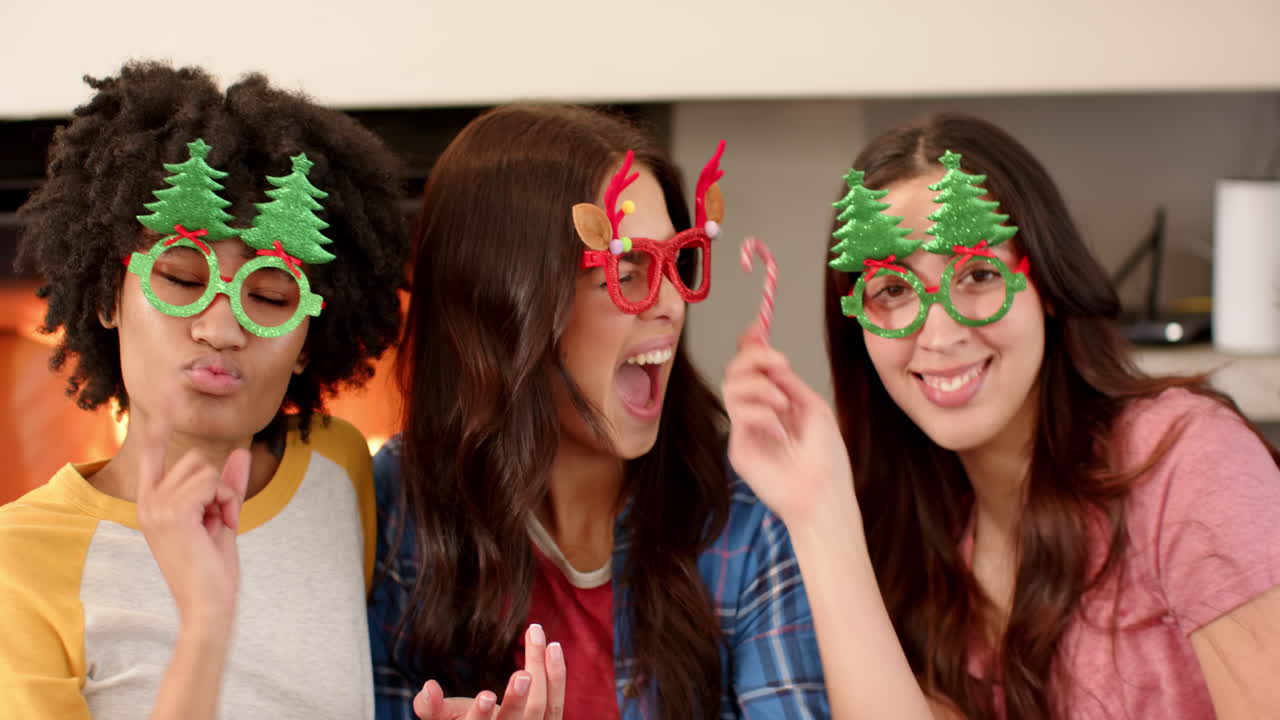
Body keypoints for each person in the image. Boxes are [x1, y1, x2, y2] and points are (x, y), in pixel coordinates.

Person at [722, 112, 1280, 719]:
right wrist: (819, 509)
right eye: (892, 291)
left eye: (979, 275)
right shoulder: (913, 538)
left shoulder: (1184, 458)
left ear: (1045, 285)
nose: (939, 334)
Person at [369, 103, 828, 720]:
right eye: (628, 268)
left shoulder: (742, 515)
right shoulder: (399, 507)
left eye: (677, 261)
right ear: (505, 300)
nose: (669, 305)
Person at [1, 61, 408, 720]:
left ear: (308, 337)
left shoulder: (340, 468)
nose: (220, 328)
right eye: (183, 282)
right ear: (110, 297)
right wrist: (205, 626)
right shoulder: (19, 562)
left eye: (271, 295)